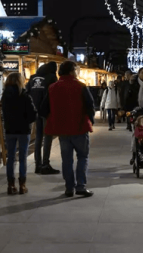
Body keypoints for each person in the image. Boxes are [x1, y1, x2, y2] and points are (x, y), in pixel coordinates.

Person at [40, 61, 95, 197]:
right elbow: (90, 105)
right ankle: (81, 186)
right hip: (80, 128)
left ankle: (69, 188)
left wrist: (54, 118)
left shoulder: (52, 88)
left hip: (62, 130)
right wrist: (90, 120)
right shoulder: (81, 86)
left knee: (67, 160)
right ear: (72, 71)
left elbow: (43, 108)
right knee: (83, 157)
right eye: (76, 69)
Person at [2, 73, 36, 195]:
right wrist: (27, 120)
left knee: (10, 157)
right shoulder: (25, 96)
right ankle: (22, 185)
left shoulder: (5, 96)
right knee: (22, 158)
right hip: (23, 130)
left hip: (10, 130)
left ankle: (10, 185)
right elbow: (33, 114)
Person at [26, 62, 60, 175]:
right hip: (46, 112)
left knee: (38, 138)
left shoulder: (32, 78)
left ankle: (37, 164)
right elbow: (53, 94)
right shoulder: (51, 77)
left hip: (35, 111)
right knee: (48, 137)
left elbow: (27, 93)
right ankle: (46, 164)